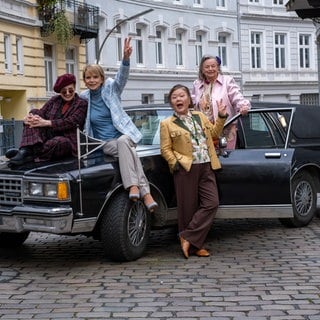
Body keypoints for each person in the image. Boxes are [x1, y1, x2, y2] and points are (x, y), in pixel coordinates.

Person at [80, 37, 158, 212]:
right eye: (88, 77)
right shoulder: (83, 98)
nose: (91, 80)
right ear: (84, 80)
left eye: (95, 77)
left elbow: (121, 78)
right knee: (128, 150)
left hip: (124, 136)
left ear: (101, 78)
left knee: (124, 142)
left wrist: (126, 59)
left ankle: (133, 187)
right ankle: (145, 193)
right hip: (104, 144)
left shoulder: (110, 89)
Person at [160, 84, 227, 258]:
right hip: (186, 167)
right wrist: (175, 163)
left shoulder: (200, 117)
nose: (178, 99)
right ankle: (196, 246)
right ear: (171, 102)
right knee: (187, 208)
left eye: (182, 96)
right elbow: (165, 148)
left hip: (206, 165)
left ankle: (187, 237)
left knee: (212, 203)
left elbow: (214, 133)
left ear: (189, 99)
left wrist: (221, 116)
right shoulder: (167, 124)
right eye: (174, 97)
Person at [6, 73, 88, 166]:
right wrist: (29, 118)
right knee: (34, 111)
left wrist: (47, 123)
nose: (67, 93)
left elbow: (72, 121)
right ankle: (26, 150)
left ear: (74, 88)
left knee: (59, 142)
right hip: (47, 138)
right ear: (60, 92)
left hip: (67, 142)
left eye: (70, 90)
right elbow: (41, 112)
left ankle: (29, 153)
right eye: (64, 91)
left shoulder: (81, 103)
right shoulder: (54, 100)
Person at [191, 55, 251, 149]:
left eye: (213, 66)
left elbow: (236, 96)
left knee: (225, 159)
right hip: (204, 130)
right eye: (207, 67)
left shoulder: (227, 81)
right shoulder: (197, 84)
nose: (210, 69)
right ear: (202, 70)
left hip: (225, 128)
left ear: (218, 68)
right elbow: (192, 104)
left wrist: (243, 106)